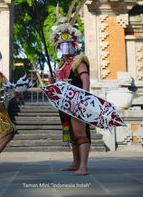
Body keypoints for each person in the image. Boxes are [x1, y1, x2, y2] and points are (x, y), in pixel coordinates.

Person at [50, 24, 91, 176]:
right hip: (64, 104)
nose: (65, 48)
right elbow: (56, 85)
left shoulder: (79, 61)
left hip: (77, 102)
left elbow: (85, 80)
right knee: (72, 135)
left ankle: (83, 166)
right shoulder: (61, 64)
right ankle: (75, 163)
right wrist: (52, 80)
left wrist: (85, 99)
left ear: (74, 45)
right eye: (62, 45)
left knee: (80, 134)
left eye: (68, 44)